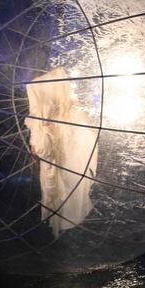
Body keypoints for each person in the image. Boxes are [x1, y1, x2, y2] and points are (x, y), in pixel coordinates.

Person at [25, 67, 98, 239]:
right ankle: (62, 228)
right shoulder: (70, 114)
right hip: (64, 163)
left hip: (63, 163)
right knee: (62, 192)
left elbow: (43, 149)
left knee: (62, 192)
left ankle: (63, 230)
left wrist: (39, 138)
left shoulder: (57, 117)